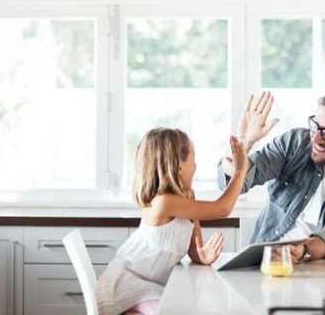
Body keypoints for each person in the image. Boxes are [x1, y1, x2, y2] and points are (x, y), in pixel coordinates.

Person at [218, 88, 325, 264]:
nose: (315, 139)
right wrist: (244, 141)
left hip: (322, 271)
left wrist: (303, 250)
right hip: (266, 263)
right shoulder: (295, 142)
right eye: (315, 125)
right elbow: (233, 185)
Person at [96, 128, 247, 315]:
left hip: (151, 287)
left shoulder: (187, 198)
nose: (196, 166)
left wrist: (201, 255)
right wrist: (240, 171)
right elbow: (222, 208)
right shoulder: (163, 203)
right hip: (128, 285)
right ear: (179, 167)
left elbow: (194, 248)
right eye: (194, 159)